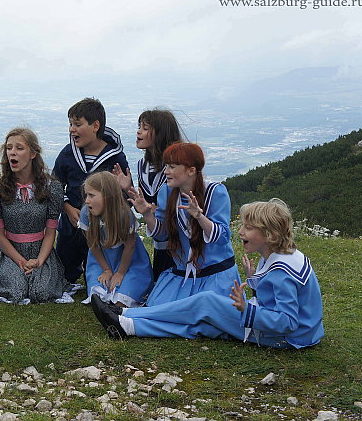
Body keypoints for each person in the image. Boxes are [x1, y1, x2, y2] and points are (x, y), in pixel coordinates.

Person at [91, 198, 325, 349]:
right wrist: (255, 281)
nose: (240, 231)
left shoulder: (281, 270)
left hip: (288, 339)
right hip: (302, 334)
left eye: (248, 228)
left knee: (205, 304)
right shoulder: (284, 255)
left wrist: (247, 308)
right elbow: (279, 300)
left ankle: (127, 316)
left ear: (270, 235)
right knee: (205, 322)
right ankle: (127, 323)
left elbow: (288, 321)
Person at [128, 142, 240, 305]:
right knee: (160, 307)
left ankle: (127, 320)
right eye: (166, 166)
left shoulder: (215, 192)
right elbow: (162, 235)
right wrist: (147, 214)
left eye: (172, 167)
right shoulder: (166, 191)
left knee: (199, 315)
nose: (166, 171)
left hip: (215, 275)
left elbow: (222, 237)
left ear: (191, 170)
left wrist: (200, 217)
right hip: (182, 273)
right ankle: (127, 319)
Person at [53, 97, 129, 286]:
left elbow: (124, 194)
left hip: (102, 230)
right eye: (70, 124)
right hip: (71, 226)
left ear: (95, 126)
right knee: (64, 273)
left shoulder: (115, 157)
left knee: (96, 275)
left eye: (77, 124)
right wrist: (67, 207)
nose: (72, 129)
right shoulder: (67, 154)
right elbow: (54, 185)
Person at [0, 128, 67, 304]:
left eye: (19, 148)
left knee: (40, 292)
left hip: (41, 251)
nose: (12, 153)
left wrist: (39, 260)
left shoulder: (51, 187)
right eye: (9, 148)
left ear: (33, 153)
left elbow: (50, 232)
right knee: (16, 291)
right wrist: (20, 261)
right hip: (9, 252)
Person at [113, 109, 184, 279]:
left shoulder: (177, 167)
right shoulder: (142, 165)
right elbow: (145, 206)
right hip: (160, 241)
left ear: (160, 134)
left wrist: (152, 209)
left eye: (145, 128)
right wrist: (128, 187)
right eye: (139, 126)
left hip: (180, 242)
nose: (139, 131)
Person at [79, 172, 153, 307]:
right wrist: (106, 270)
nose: (87, 200)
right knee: (99, 295)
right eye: (86, 195)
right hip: (101, 260)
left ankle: (122, 300)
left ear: (107, 196)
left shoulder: (124, 214)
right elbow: (93, 245)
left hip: (129, 261)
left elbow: (130, 246)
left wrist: (120, 273)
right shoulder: (86, 213)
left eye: (91, 195)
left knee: (123, 297)